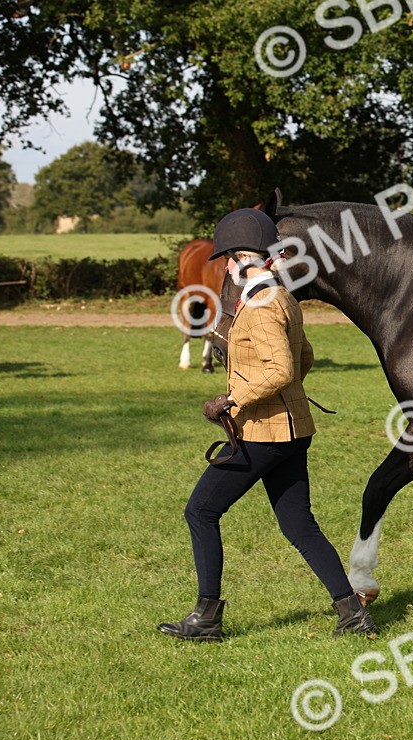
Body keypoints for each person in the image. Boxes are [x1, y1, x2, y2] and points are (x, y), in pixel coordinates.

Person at [159, 207, 376, 641]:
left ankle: (206, 619)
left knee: (201, 511)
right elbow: (305, 356)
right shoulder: (282, 296)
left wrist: (232, 398)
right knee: (299, 526)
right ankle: (353, 614)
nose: (227, 268)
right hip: (293, 432)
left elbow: (279, 370)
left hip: (261, 435)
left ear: (241, 257)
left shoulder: (258, 304)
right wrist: (283, 395)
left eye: (228, 260)